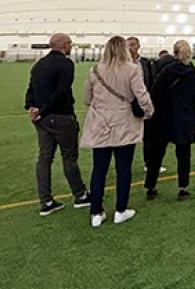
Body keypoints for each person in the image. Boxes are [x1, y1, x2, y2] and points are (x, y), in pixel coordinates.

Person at [81, 35, 154, 227]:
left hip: (101, 125)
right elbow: (142, 95)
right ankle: (121, 210)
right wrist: (149, 112)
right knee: (123, 169)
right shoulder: (131, 70)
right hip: (124, 124)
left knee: (99, 169)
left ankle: (96, 212)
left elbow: (87, 98)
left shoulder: (95, 70)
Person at [24, 33, 90, 215]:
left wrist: (32, 108)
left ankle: (45, 201)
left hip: (41, 120)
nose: (71, 47)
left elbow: (30, 89)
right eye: (70, 44)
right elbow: (62, 91)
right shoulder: (66, 64)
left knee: (44, 158)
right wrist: (43, 110)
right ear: (64, 45)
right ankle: (80, 195)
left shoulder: (39, 65)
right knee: (69, 157)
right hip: (61, 117)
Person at [145, 40, 195, 201]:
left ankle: (151, 186)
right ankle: (183, 188)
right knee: (184, 155)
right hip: (185, 119)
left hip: (164, 118)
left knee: (156, 155)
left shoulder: (166, 71)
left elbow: (155, 93)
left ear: (175, 52)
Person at [127, 36, 161, 173]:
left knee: (149, 136)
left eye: (133, 44)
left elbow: (152, 82)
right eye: (127, 45)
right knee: (127, 138)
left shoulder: (146, 63)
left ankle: (150, 164)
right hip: (127, 105)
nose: (130, 47)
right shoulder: (121, 65)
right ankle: (125, 166)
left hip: (145, 103)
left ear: (138, 46)